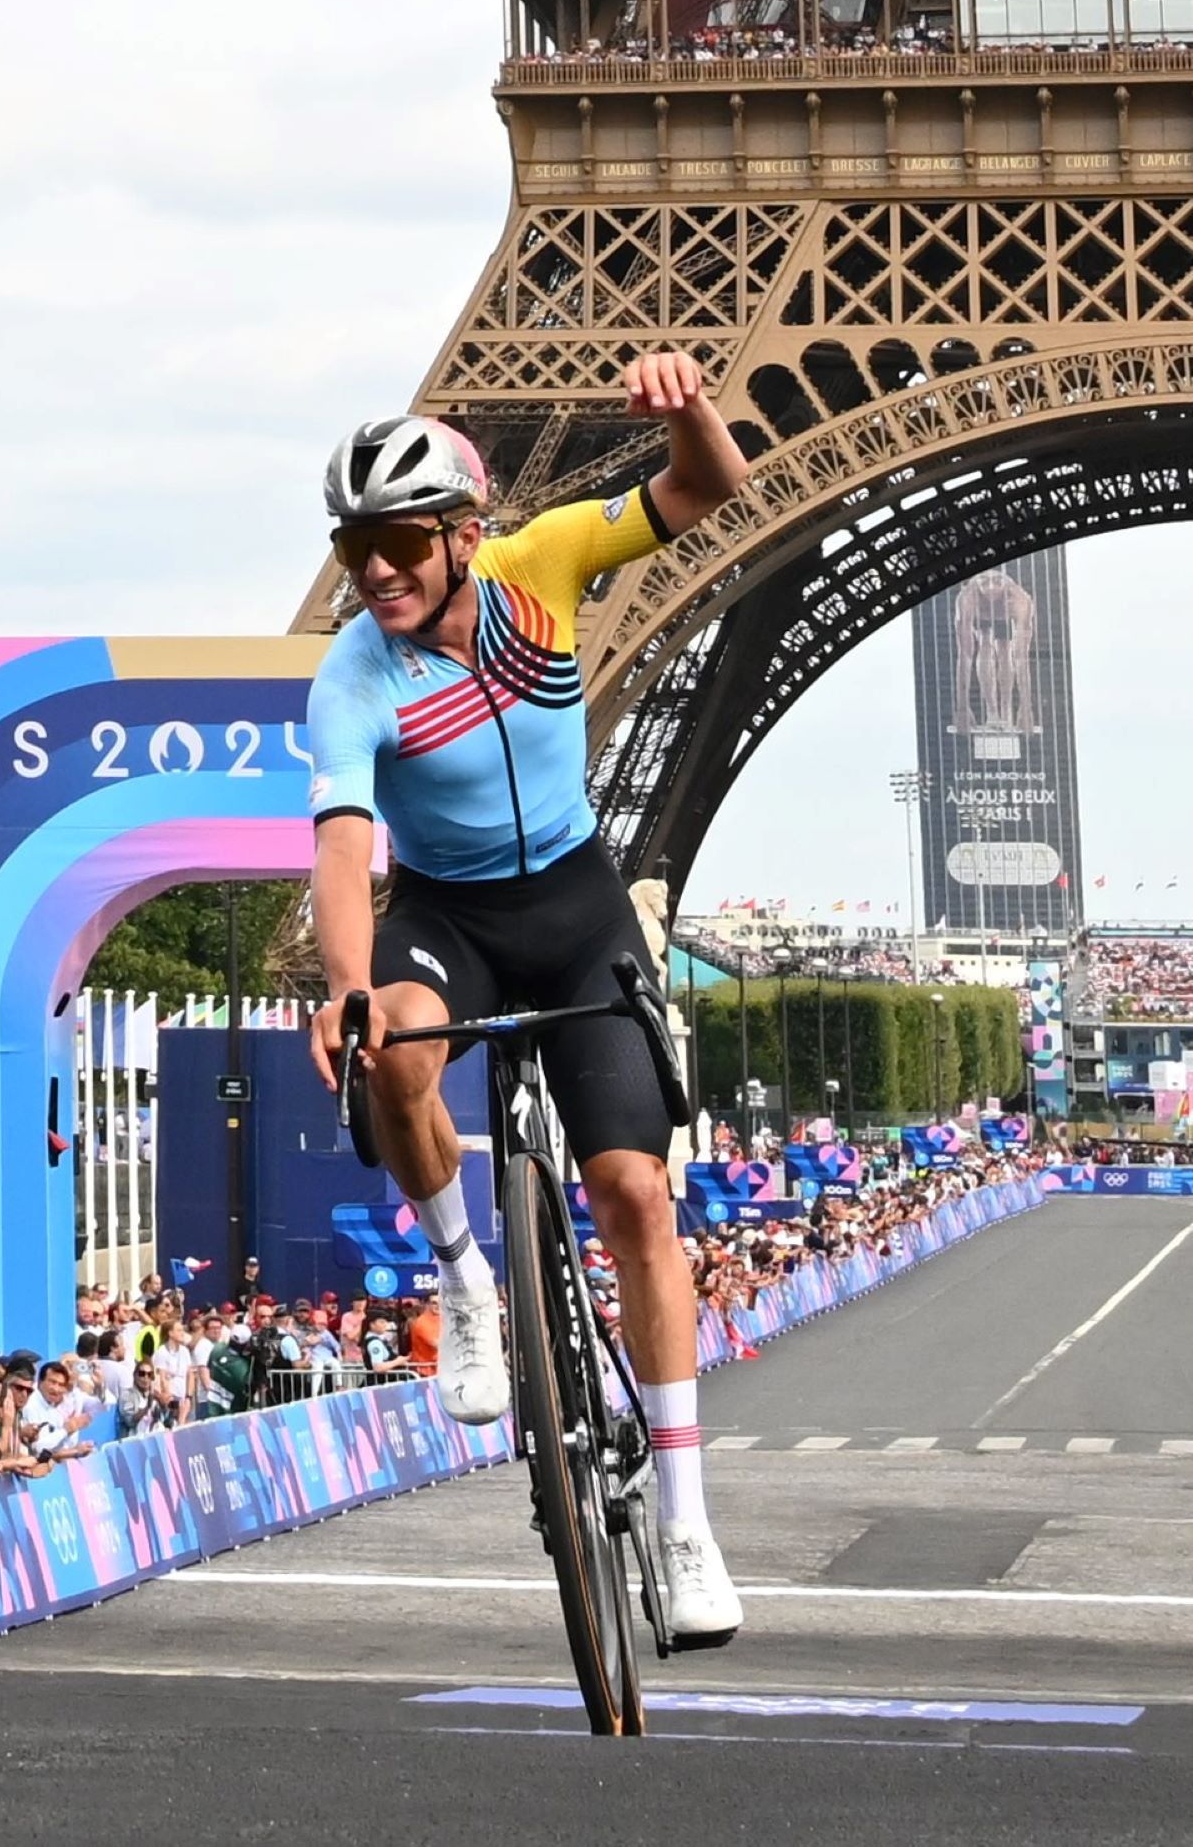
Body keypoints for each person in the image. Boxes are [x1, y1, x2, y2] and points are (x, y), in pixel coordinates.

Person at [302, 359, 750, 1647]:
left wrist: (685, 410)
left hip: (577, 909)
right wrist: (347, 989)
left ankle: (683, 1520)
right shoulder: (351, 679)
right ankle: (465, 1281)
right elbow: (342, 845)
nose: (374, 573)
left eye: (395, 544)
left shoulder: (546, 561)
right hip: (449, 917)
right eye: (352, 550)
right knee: (395, 1052)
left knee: (633, 1198)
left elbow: (712, 487)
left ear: (461, 535)